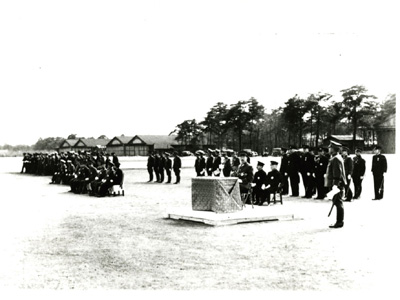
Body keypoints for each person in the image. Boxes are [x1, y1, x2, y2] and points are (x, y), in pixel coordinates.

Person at [325, 141, 347, 228]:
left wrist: (335, 185)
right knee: (337, 202)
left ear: (333, 149)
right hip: (337, 183)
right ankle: (339, 221)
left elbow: (337, 173)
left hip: (337, 184)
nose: (328, 149)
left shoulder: (336, 159)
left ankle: (339, 222)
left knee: (338, 202)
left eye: (330, 148)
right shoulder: (336, 157)